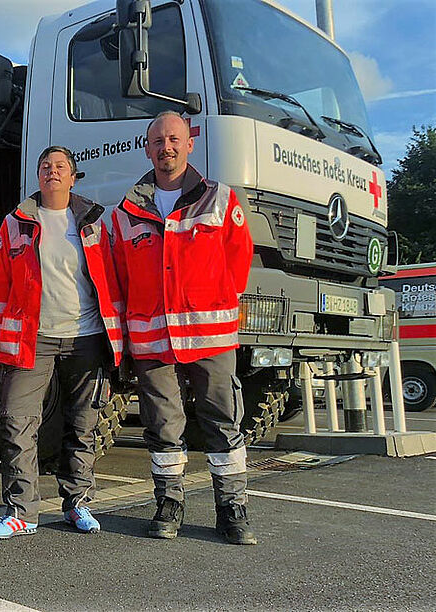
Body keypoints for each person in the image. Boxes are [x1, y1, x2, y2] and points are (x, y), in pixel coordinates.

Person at [109, 110, 256, 544]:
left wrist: (212, 303)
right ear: (147, 148)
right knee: (163, 425)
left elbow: (238, 262)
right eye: (157, 141)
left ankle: (232, 510)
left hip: (210, 337)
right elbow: (120, 275)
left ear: (189, 143)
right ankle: (169, 504)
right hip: (153, 341)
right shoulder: (126, 212)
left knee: (223, 421)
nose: (166, 147)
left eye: (173, 139)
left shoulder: (220, 198)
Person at [0, 146, 123, 539]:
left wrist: (118, 340)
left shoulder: (96, 221)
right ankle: (21, 512)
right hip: (34, 337)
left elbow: (113, 278)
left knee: (83, 424)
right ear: (38, 175)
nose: (52, 172)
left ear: (73, 176)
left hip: (87, 337)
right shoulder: (18, 222)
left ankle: (78, 504)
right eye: (45, 166)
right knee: (17, 422)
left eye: (60, 166)